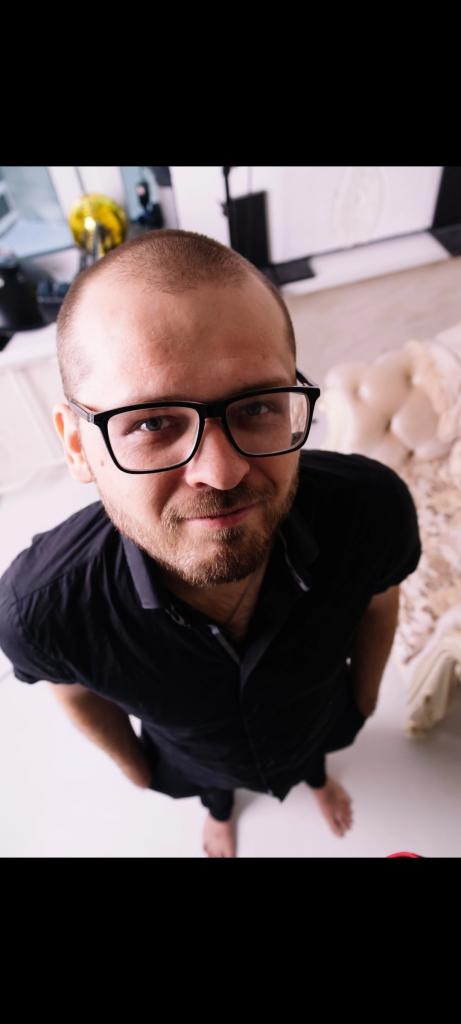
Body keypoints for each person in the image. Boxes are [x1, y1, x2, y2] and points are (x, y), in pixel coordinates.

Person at [0, 229, 421, 858]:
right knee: (214, 790)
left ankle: (314, 778)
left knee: (311, 757)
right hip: (196, 761)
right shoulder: (39, 608)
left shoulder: (372, 510)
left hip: (315, 722)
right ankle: (220, 811)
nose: (221, 473)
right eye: (152, 422)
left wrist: (361, 705)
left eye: (257, 407)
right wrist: (139, 772)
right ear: (77, 446)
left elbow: (379, 603)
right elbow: (70, 688)